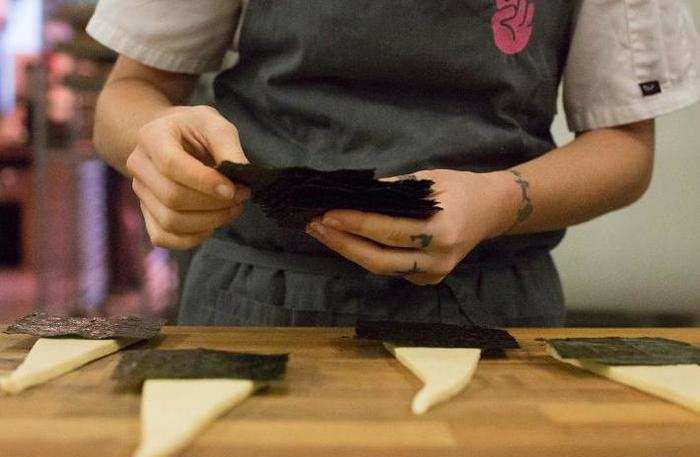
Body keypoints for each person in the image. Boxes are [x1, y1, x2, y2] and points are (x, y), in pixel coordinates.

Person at [88, 0, 700, 327]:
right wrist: (158, 143)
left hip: (494, 311)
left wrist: (498, 201)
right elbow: (132, 91)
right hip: (253, 301)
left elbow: (624, 147)